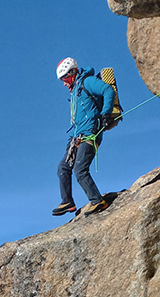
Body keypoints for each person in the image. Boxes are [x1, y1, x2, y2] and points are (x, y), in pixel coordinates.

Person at [52, 57, 115, 217]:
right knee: (63, 168)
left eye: (65, 78)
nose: (64, 83)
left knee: (80, 169)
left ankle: (97, 201)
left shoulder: (87, 82)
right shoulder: (75, 91)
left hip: (90, 135)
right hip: (77, 137)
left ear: (73, 72)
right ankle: (68, 202)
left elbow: (108, 90)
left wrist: (106, 113)